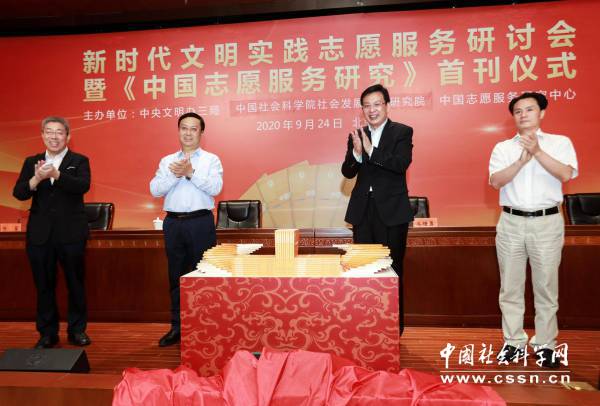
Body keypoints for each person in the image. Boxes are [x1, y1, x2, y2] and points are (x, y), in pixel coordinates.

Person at [489, 92, 578, 368]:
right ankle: (513, 342)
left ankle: (545, 345)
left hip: (547, 222)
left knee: (546, 288)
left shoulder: (560, 143)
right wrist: (520, 161)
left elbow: (566, 174)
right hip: (511, 222)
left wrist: (537, 151)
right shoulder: (503, 148)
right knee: (510, 288)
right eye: (518, 111)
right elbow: (495, 181)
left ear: (542, 113)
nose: (523, 114)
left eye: (529, 109)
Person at [13, 116, 92, 349]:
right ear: (42, 135)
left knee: (75, 283)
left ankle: (77, 330)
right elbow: (19, 193)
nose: (54, 136)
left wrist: (57, 176)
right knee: (44, 285)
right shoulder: (32, 162)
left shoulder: (79, 160)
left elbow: (82, 186)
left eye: (59, 132)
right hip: (40, 234)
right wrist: (36, 178)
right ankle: (47, 333)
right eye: (49, 132)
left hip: (71, 233)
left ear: (67, 136)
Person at [341, 84, 414, 335]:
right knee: (363, 270)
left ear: (387, 106)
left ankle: (393, 330)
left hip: (392, 213)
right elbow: (347, 172)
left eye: (376, 104)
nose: (372, 110)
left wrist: (371, 150)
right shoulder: (357, 134)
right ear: (362, 109)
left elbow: (400, 164)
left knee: (392, 271)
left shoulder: (402, 132)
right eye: (366, 106)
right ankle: (366, 328)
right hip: (363, 212)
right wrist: (357, 154)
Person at [150, 112, 223, 347]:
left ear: (201, 133)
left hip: (200, 222)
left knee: (203, 277)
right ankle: (177, 327)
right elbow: (155, 190)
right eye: (184, 128)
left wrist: (190, 173)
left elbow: (215, 187)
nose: (188, 133)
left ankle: (204, 327)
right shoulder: (167, 161)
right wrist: (175, 174)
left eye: (193, 129)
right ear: (178, 131)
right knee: (176, 277)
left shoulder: (211, 160)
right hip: (173, 223)